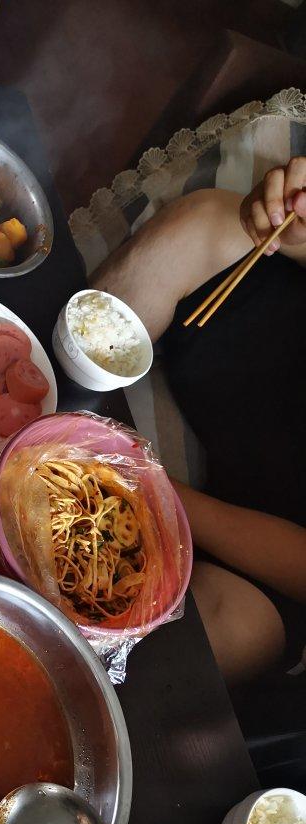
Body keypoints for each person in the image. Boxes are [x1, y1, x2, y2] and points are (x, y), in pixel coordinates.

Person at [90, 158, 306, 687]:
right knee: (205, 222)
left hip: (277, 546)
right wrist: (296, 228)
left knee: (227, 635)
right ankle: (52, 391)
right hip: (267, 357)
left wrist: (150, 487)